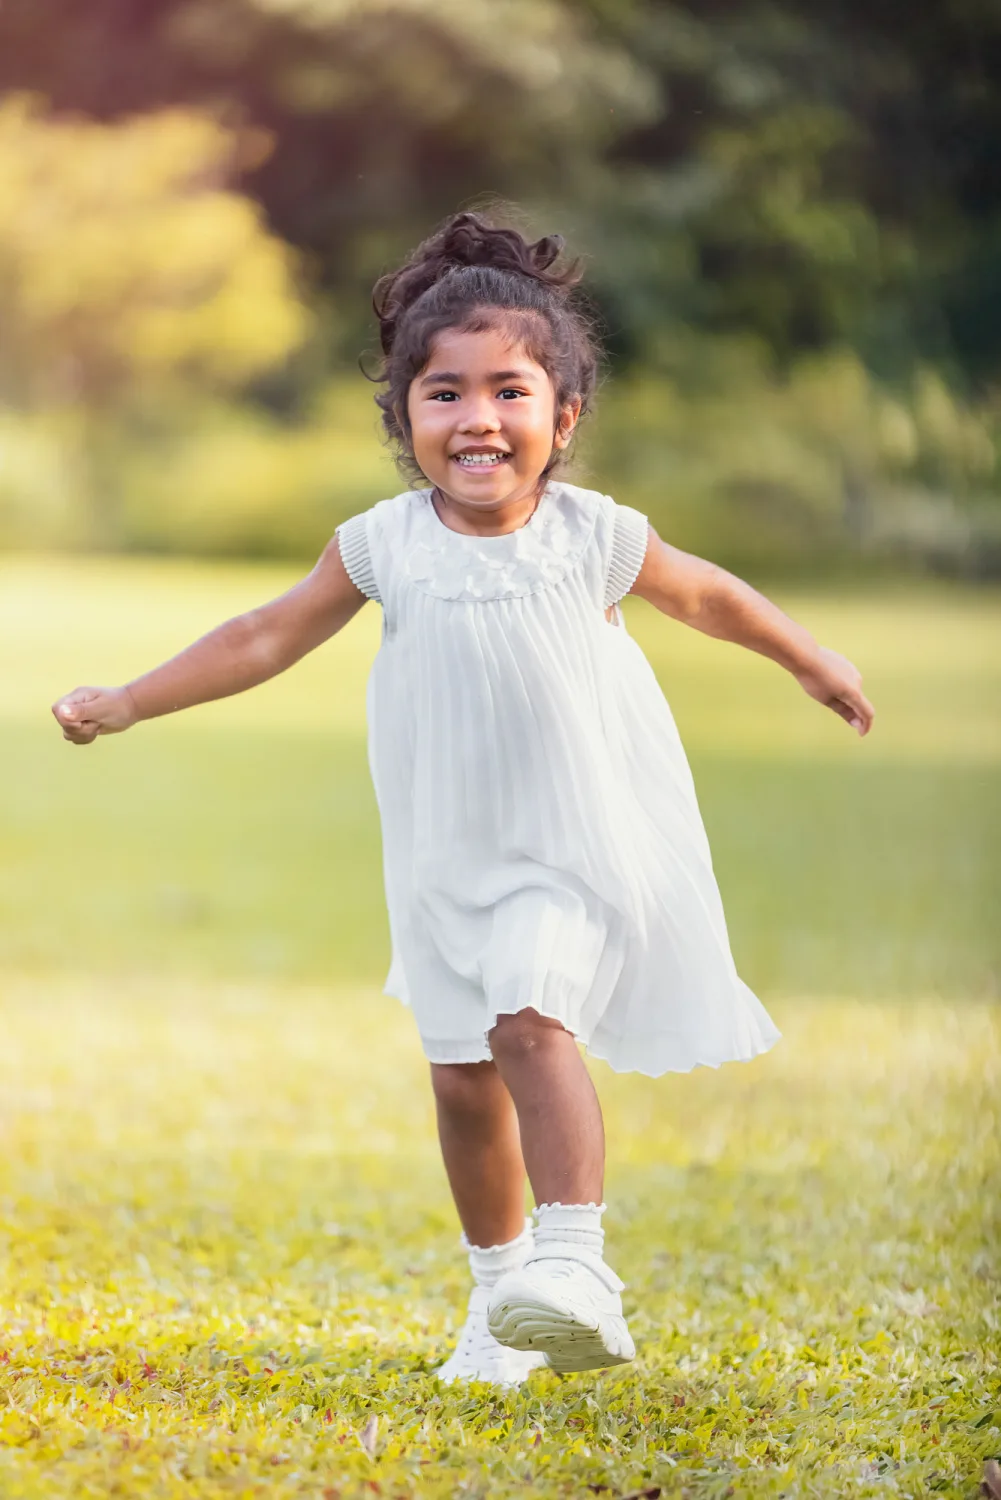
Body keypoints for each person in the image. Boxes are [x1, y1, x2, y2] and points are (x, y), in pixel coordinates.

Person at [51, 210, 875, 1388]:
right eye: (442, 394)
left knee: (532, 1025)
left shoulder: (591, 537)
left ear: (561, 417)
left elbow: (707, 596)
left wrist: (807, 658)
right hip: (445, 860)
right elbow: (261, 634)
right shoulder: (382, 545)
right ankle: (498, 1300)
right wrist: (129, 699)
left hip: (576, 846)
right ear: (404, 420)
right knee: (461, 1076)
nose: (476, 418)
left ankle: (577, 1262)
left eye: (508, 391)